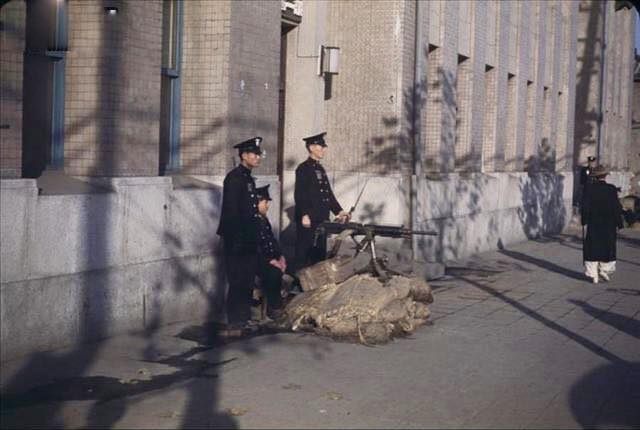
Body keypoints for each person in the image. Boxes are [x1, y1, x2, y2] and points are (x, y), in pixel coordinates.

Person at [216, 137, 263, 328]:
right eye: (255, 154)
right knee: (237, 280)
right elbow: (231, 211)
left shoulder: (247, 178)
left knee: (247, 279)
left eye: (259, 154)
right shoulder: (235, 178)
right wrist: (235, 239)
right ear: (244, 156)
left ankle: (244, 318)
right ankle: (235, 320)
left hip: (248, 238)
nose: (258, 157)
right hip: (237, 239)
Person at [294, 132, 350, 270]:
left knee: (318, 256)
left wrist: (339, 211)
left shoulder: (320, 169)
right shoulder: (303, 169)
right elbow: (299, 194)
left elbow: (328, 194)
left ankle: (315, 287)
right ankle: (295, 285)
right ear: (312, 148)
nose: (324, 149)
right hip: (309, 220)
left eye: (324, 147)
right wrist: (304, 215)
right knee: (303, 254)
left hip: (321, 219)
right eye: (321, 146)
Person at [580, 165, 624, 284]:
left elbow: (584, 206)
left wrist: (584, 220)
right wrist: (619, 223)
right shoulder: (611, 189)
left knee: (592, 247)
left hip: (594, 223)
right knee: (607, 246)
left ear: (595, 176)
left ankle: (593, 274)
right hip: (608, 224)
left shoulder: (589, 189)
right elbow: (616, 208)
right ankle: (604, 270)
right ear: (605, 176)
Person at [252, 184, 286, 320]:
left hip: (269, 259)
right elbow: (256, 247)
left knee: (283, 271)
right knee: (273, 273)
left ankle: (279, 304)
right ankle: (274, 308)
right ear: (257, 202)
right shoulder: (252, 221)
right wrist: (271, 261)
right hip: (257, 260)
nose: (267, 206)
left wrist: (281, 257)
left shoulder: (263, 219)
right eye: (265, 202)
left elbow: (272, 241)